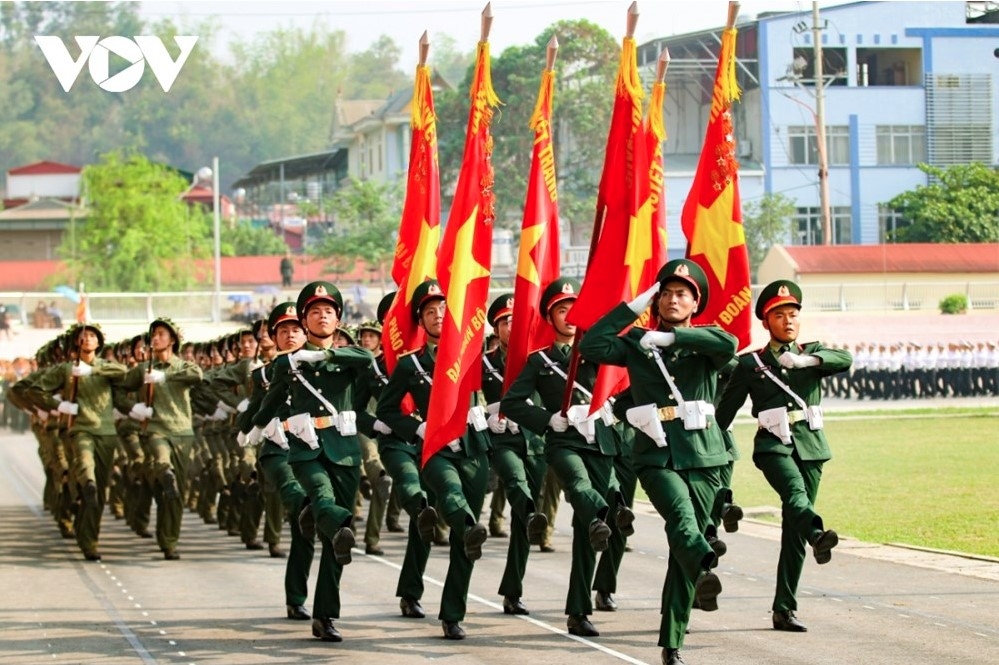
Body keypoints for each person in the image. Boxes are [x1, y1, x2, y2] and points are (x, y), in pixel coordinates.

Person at [579, 259, 737, 665]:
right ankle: (704, 570)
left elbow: (729, 345)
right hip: (656, 453)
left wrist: (674, 340)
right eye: (665, 293)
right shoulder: (637, 342)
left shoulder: (704, 341)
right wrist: (633, 309)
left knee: (682, 546)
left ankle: (672, 642)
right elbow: (592, 344)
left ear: (695, 303)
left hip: (704, 455)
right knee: (683, 521)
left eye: (681, 294)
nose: (672, 299)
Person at [716, 279, 851, 634]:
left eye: (793, 314)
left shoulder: (813, 352)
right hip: (773, 446)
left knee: (793, 530)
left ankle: (784, 609)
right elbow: (725, 412)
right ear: (766, 321)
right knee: (794, 495)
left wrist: (806, 360)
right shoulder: (751, 364)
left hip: (811, 447)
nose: (788, 320)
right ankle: (818, 533)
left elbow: (845, 359)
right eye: (780, 315)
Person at [501, 277, 632, 640]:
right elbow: (512, 403)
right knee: (579, 486)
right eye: (562, 309)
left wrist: (615, 410)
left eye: (575, 309)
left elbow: (629, 390)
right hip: (564, 442)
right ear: (550, 316)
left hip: (601, 441)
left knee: (588, 533)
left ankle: (578, 612)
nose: (570, 316)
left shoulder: (600, 352)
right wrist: (547, 419)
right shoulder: (539, 361)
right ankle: (610, 510)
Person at [248, 280, 373, 643]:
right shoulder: (288, 363)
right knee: (320, 497)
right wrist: (250, 427)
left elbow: (367, 359)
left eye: (329, 311)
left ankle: (324, 616)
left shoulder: (346, 354)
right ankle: (325, 531)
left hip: (346, 451)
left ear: (338, 320)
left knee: (336, 543)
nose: (322, 317)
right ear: (306, 320)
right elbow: (269, 401)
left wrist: (328, 355)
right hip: (305, 448)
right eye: (315, 311)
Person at [375, 278, 491, 640]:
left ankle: (452, 613)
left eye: (443, 308)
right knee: (453, 500)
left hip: (473, 449)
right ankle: (465, 528)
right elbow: (388, 410)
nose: (438, 314)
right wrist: (419, 428)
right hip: (435, 450)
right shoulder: (411, 365)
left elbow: (503, 382)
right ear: (421, 322)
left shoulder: (472, 352)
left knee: (462, 542)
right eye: (430, 311)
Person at [240, 303, 315, 622]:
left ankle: (311, 599)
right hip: (278, 452)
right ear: (272, 336)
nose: (289, 335)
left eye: (295, 329)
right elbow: (254, 410)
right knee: (300, 504)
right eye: (282, 330)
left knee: (309, 524)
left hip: (313, 449)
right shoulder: (263, 374)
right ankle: (297, 598)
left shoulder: (319, 366)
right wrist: (246, 428)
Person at [28, 323, 128, 561]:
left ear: (99, 342)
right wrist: (58, 405)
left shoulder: (107, 367)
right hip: (80, 429)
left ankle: (89, 540)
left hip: (106, 432)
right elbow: (34, 389)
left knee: (98, 495)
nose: (88, 339)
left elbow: (124, 373)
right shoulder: (65, 370)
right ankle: (87, 483)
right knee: (85, 467)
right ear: (77, 342)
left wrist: (91, 372)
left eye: (93, 336)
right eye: (84, 336)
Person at [481, 293, 548, 616]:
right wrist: (485, 412)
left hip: (532, 440)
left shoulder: (538, 360)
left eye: (516, 320)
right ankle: (530, 509)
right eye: (505, 321)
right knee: (516, 483)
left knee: (523, 521)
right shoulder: (483, 362)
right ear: (496, 327)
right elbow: (461, 397)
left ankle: (513, 591)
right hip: (500, 440)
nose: (512, 325)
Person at [120, 318, 204, 560]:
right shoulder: (142, 370)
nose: (155, 339)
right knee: (161, 460)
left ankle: (169, 541)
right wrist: (133, 408)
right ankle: (164, 471)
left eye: (160, 334)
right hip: (156, 429)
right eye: (153, 335)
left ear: (173, 339)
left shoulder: (183, 366)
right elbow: (119, 390)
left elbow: (196, 375)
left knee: (175, 493)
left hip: (182, 432)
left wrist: (165, 378)